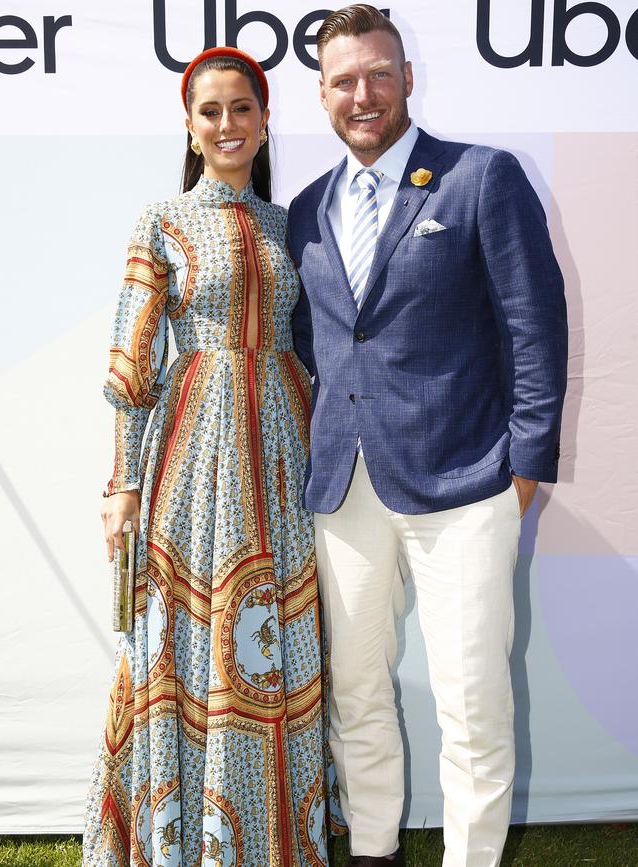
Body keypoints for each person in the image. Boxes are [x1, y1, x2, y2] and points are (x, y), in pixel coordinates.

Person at [287, 5, 568, 867]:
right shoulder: (306, 209)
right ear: (323, 94)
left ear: (408, 77)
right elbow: (317, 346)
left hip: (466, 487)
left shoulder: (482, 178)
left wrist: (522, 468)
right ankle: (372, 850)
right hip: (345, 492)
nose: (362, 94)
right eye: (343, 81)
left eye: (378, 73)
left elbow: (535, 326)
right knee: (357, 690)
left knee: (470, 699)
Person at [84, 47, 339, 867]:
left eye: (242, 109)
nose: (227, 124)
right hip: (193, 457)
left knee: (282, 638)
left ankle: (275, 840)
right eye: (210, 112)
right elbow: (130, 364)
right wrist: (122, 484)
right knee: (188, 639)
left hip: (285, 449)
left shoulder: (290, 224)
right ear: (190, 130)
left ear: (265, 123)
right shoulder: (160, 221)